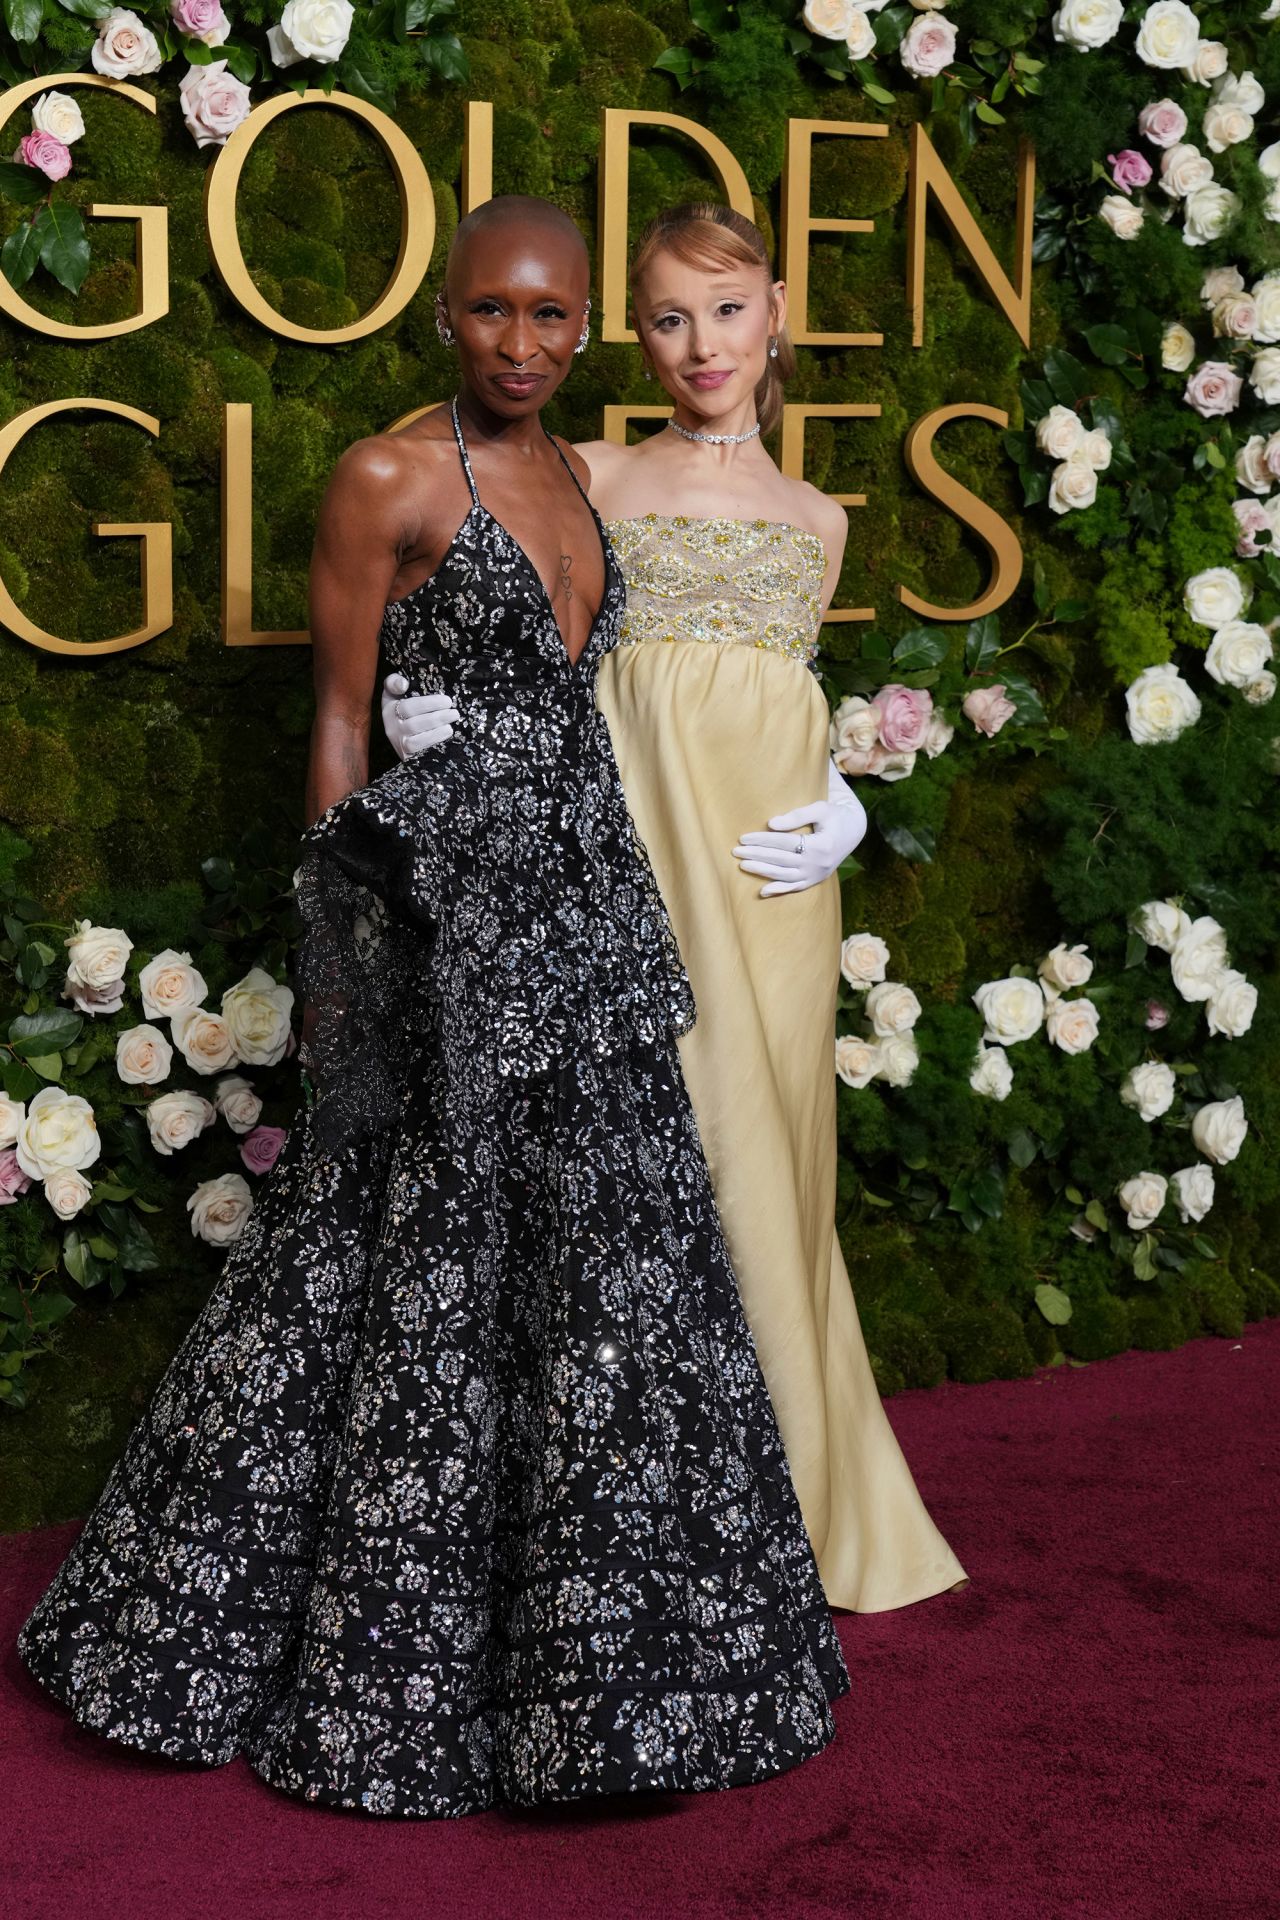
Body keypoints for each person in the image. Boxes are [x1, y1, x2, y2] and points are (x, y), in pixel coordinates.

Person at [16, 196, 848, 1818]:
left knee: (615, 1293)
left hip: (595, 911)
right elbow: (334, 722)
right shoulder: (391, 477)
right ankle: (299, 1639)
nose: (522, 344)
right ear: (446, 318)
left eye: (553, 318)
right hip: (446, 917)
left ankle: (620, 1688)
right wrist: (342, 976)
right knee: (395, 1268)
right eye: (493, 314)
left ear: (587, 327)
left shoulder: (588, 481)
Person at [383, 203, 967, 1615]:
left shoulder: (821, 525)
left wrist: (848, 800)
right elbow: (437, 524)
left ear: (776, 309)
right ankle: (633, 1532)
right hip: (621, 876)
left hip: (777, 893)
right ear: (626, 336)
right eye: (663, 317)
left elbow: (763, 706)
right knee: (652, 1173)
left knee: (778, 1175)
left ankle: (790, 1518)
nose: (698, 345)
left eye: (722, 310)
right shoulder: (584, 475)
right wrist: (429, 699)